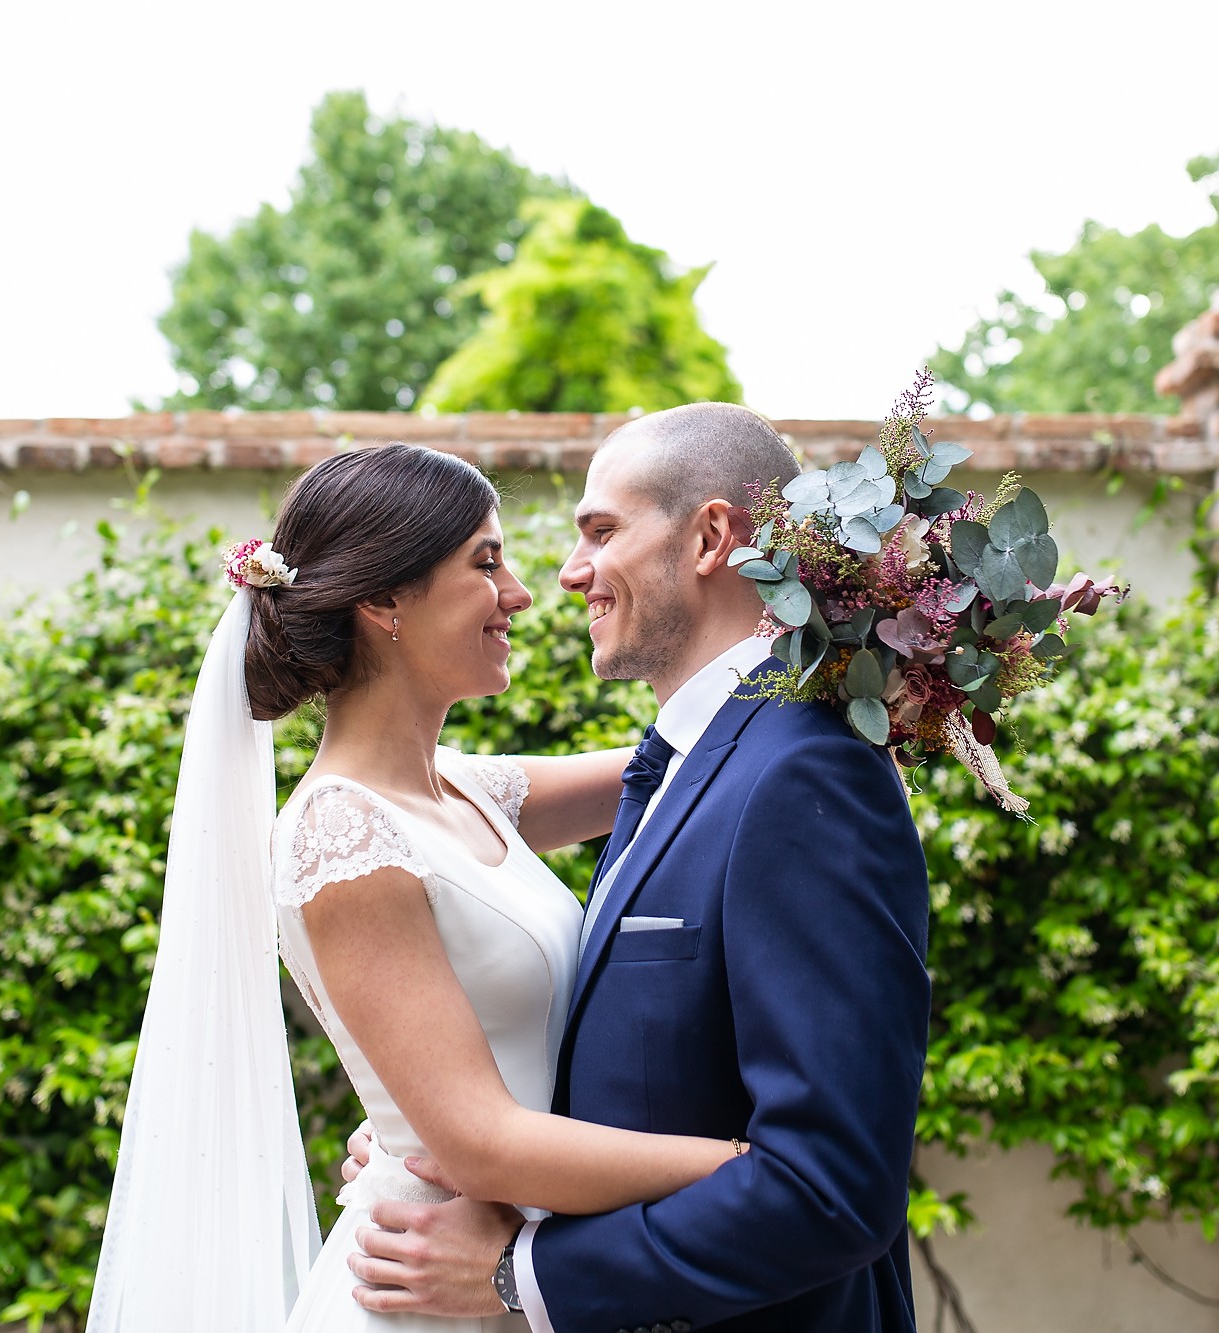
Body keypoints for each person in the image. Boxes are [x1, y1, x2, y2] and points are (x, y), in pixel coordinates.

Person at [85, 441, 761, 1333]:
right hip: (429, 1289)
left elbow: (703, 759)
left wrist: (863, 662)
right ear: (382, 599)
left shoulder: (469, 790)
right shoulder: (341, 831)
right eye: (486, 562)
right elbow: (480, 1141)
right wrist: (751, 1167)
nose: (521, 592)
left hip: (518, 1264)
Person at [343, 403, 932, 1332]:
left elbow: (833, 1186)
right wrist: (426, 1136)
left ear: (709, 538)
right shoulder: (687, 764)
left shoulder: (805, 773)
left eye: (601, 531)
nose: (568, 575)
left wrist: (524, 1277)